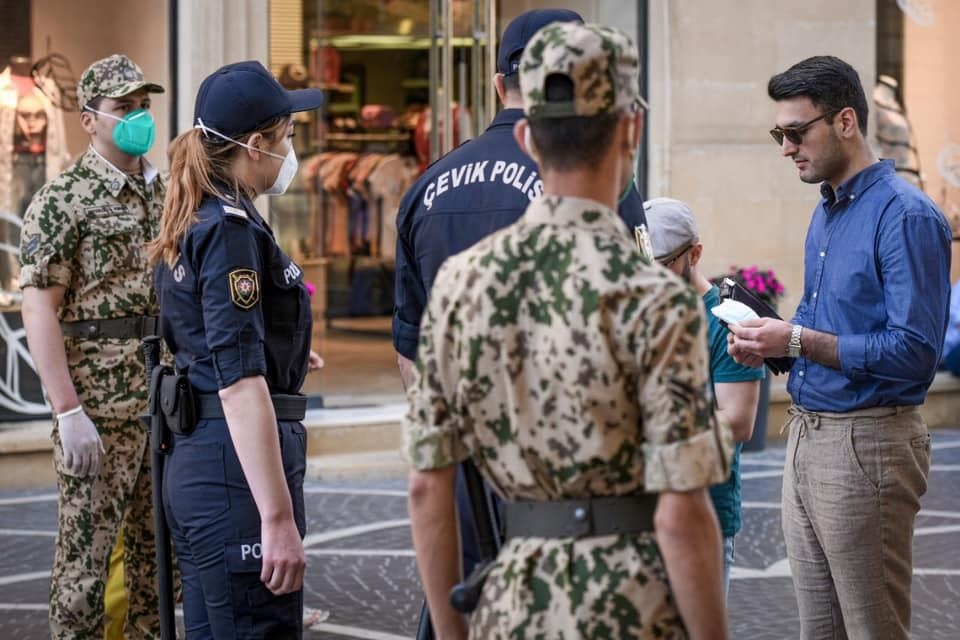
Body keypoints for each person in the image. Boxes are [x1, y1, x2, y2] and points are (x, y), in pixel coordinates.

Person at [403, 22, 732, 639]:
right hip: (634, 606)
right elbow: (684, 513)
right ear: (630, 131)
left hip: (512, 601)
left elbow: (427, 487)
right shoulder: (657, 299)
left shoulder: (461, 285)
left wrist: (451, 634)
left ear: (526, 136)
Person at [393, 7, 651, 579]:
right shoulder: (600, 180)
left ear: (497, 84)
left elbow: (411, 346)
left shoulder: (426, 187)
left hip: (462, 469)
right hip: (574, 483)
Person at [727, 55, 951, 640]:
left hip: (869, 442)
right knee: (818, 631)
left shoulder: (905, 215)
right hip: (807, 435)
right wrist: (771, 345)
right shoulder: (826, 211)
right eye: (779, 134)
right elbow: (817, 321)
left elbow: (914, 353)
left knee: (872, 628)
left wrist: (795, 338)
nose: (785, 148)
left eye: (796, 132)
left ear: (845, 121)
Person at [148, 60, 324, 638]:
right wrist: (275, 520)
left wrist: (285, 351)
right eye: (288, 138)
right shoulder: (227, 228)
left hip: (205, 459)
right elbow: (239, 383)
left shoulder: (200, 212)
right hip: (233, 472)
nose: (291, 151)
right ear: (256, 145)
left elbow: (211, 336)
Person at [19, 53, 165, 640]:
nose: (138, 117)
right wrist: (68, 411)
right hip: (99, 412)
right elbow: (38, 310)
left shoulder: (165, 190)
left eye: (143, 106)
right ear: (89, 119)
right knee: (85, 566)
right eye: (123, 108)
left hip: (163, 403)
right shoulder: (63, 201)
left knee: (157, 563)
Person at [645, 197, 764, 596]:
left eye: (660, 266)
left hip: (704, 511)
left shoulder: (730, 321)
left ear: (694, 254)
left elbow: (739, 422)